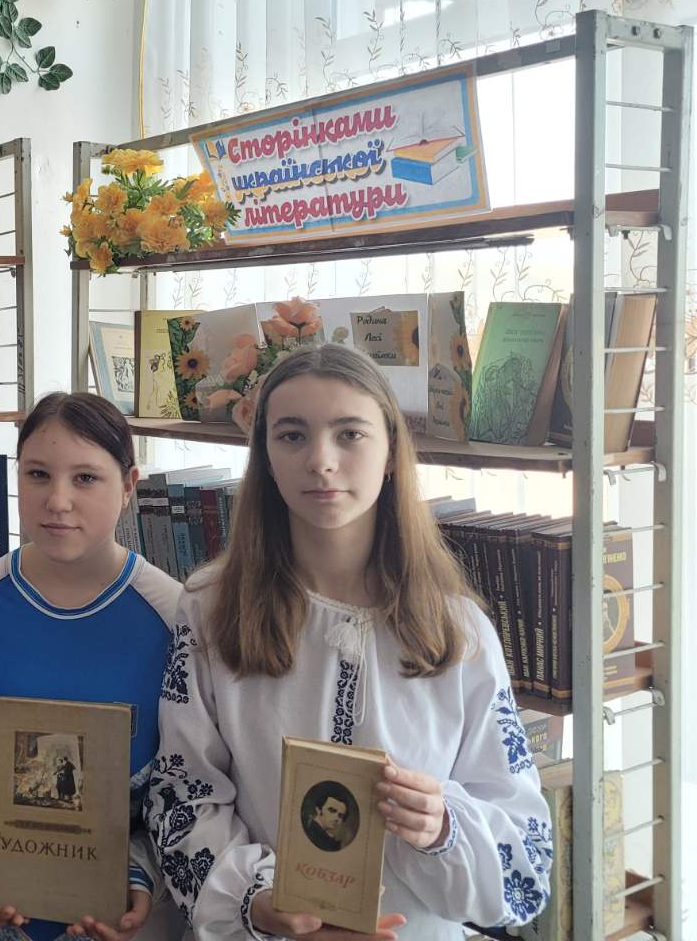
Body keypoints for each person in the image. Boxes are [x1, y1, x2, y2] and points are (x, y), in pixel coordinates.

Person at [146, 345, 552, 941]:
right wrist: (259, 903)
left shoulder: (457, 632)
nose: (321, 461)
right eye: (292, 436)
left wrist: (442, 826)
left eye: (350, 434)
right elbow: (184, 795)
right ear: (265, 456)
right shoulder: (210, 609)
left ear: (390, 452)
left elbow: (525, 861)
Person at [0, 392, 183, 941]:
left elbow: (189, 785)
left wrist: (139, 874)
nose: (57, 501)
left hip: (127, 917)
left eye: (86, 478)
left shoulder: (178, 621)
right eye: (38, 474)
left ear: (129, 485)